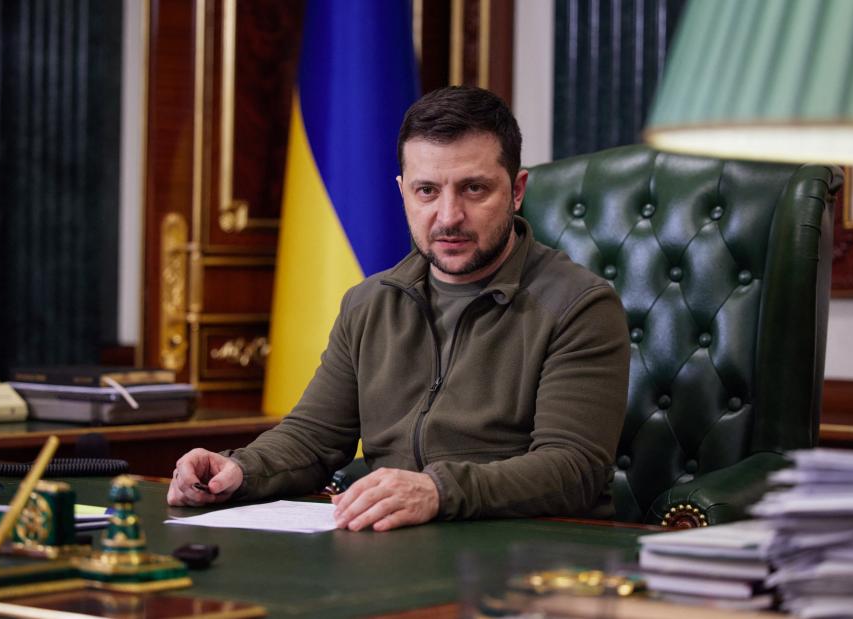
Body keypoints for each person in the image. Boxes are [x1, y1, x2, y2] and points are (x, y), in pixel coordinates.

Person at [167, 86, 630, 532]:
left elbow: (574, 469)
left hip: (529, 553)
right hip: (398, 547)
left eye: (474, 189)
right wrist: (239, 469)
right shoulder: (369, 303)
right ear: (403, 191)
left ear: (516, 190)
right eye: (427, 191)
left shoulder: (580, 305)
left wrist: (438, 491)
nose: (448, 216)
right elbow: (313, 437)